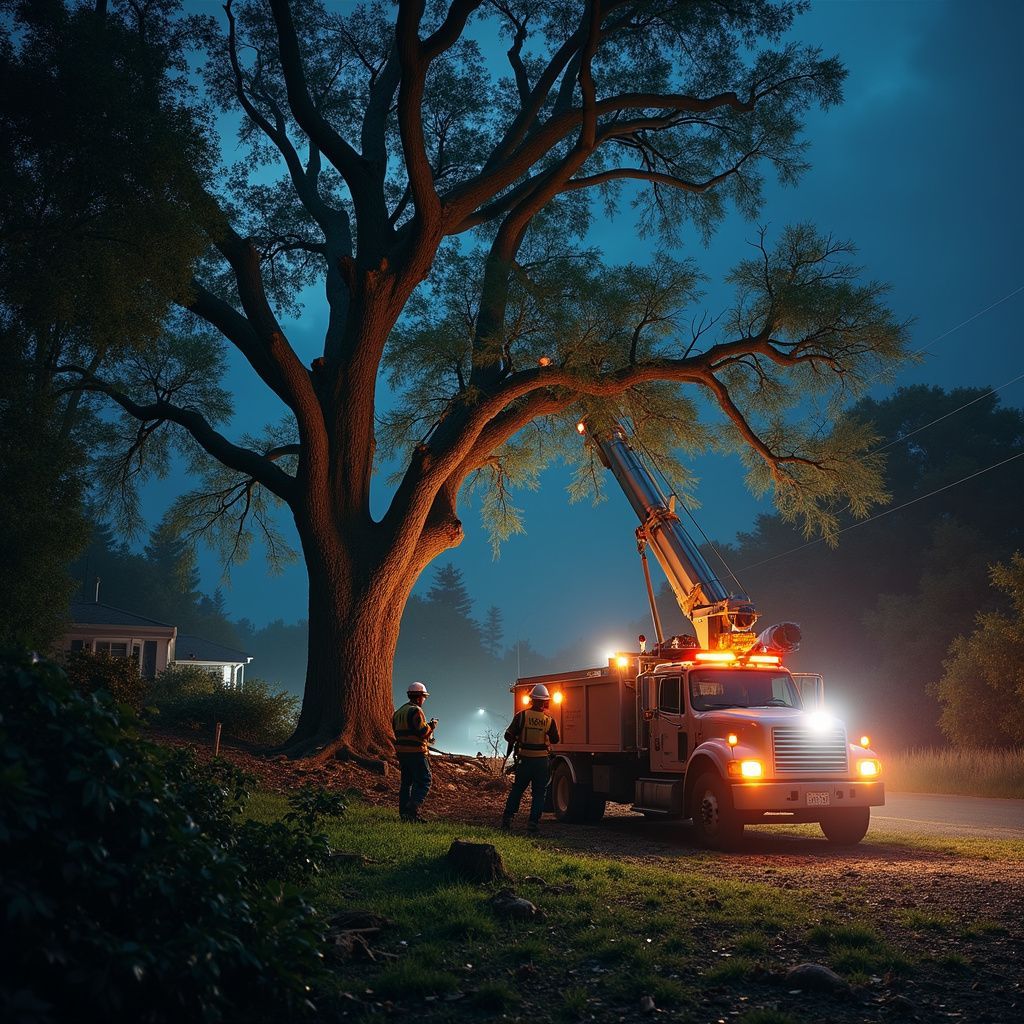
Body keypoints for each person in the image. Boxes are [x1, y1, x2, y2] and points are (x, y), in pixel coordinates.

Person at [501, 683, 559, 834]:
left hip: (525, 760)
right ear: (545, 701)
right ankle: (533, 824)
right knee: (539, 793)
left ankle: (507, 818)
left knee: (518, 790)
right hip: (541, 762)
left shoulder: (522, 716)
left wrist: (516, 739)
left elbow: (508, 735)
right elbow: (555, 740)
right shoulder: (549, 720)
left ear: (532, 699)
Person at [392, 681, 437, 823]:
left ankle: (403, 813)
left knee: (406, 783)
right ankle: (412, 811)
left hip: (402, 752)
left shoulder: (398, 712)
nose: (424, 700)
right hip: (416, 752)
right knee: (425, 780)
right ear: (419, 697)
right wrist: (432, 726)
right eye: (424, 697)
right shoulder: (416, 711)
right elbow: (422, 732)